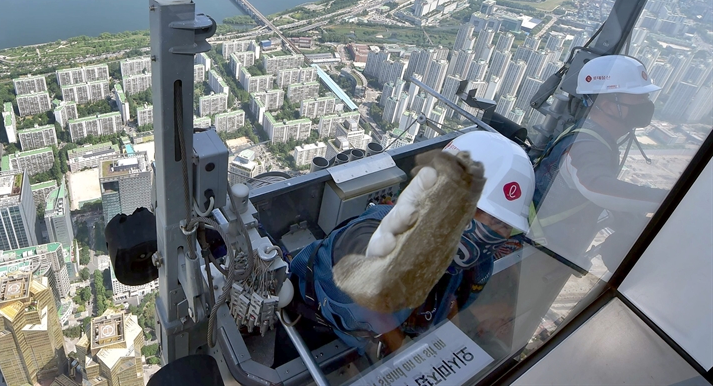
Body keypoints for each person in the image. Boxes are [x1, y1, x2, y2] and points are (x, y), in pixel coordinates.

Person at [285, 131, 534, 359]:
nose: (498, 233)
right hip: (310, 328)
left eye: (505, 226)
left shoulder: (477, 264)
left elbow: (451, 299)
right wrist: (403, 349)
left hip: (369, 346)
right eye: (494, 220)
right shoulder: (371, 235)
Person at [532, 54, 665, 269]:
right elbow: (595, 187)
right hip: (540, 253)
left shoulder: (596, 135)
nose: (646, 104)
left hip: (553, 249)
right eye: (639, 98)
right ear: (609, 105)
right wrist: (672, 199)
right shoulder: (587, 143)